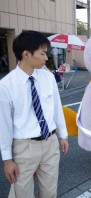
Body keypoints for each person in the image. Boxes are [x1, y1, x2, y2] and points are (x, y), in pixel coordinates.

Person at [0, 30, 69, 197]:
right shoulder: (6, 85)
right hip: (24, 147)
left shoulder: (48, 77)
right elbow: (4, 125)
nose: (46, 58)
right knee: (22, 193)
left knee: (50, 192)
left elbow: (56, 108)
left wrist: (63, 135)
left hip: (50, 142)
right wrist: (7, 160)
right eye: (43, 53)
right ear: (26, 54)